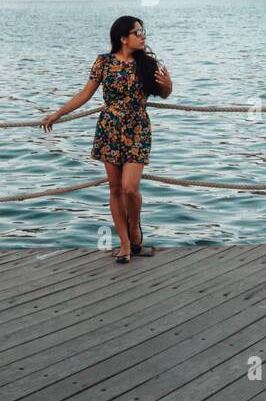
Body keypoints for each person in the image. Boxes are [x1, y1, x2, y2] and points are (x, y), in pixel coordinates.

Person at [41, 16, 173, 263]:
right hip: (109, 127)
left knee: (130, 188)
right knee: (114, 188)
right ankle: (124, 243)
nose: (143, 35)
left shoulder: (148, 64)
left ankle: (135, 228)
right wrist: (58, 113)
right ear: (123, 38)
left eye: (143, 31)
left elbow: (164, 93)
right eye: (138, 32)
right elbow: (85, 94)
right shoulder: (103, 63)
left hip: (137, 128)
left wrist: (169, 85)